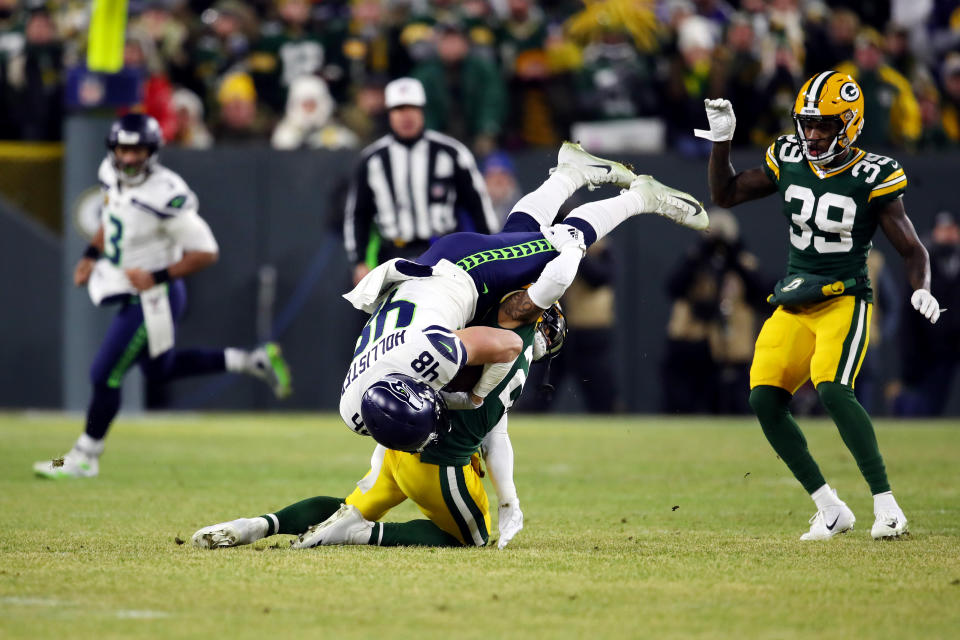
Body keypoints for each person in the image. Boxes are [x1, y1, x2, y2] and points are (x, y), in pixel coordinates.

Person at [694, 72, 940, 540]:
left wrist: (921, 287)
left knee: (832, 387)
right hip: (796, 297)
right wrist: (722, 141)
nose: (812, 134)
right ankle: (829, 508)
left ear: (850, 125)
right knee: (764, 398)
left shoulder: (873, 174)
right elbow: (725, 194)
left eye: (824, 125)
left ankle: (887, 506)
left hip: (845, 296)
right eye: (806, 124)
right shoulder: (788, 156)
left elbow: (913, 249)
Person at [338, 141, 708, 443]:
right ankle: (570, 172)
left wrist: (473, 396)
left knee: (563, 241)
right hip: (427, 278)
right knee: (519, 232)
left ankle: (642, 197)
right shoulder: (354, 409)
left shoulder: (433, 354)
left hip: (463, 272)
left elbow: (509, 345)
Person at [33, 114, 292, 480]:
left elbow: (206, 251)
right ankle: (250, 360)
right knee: (161, 368)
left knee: (104, 373)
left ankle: (84, 456)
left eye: (137, 150)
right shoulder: (111, 175)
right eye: (123, 149)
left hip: (155, 296)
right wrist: (92, 255)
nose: (128, 158)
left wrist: (155, 275)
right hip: (129, 288)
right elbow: (112, 216)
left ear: (152, 152)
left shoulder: (165, 193)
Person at [191, 300, 565, 549]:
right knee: (475, 536)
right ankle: (366, 534)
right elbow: (496, 438)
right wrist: (508, 498)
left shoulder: (465, 319)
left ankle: (259, 524)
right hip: (439, 464)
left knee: (350, 504)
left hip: (395, 442)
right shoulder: (512, 359)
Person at [343, 77, 499, 288]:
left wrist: (491, 253)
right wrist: (359, 261)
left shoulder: (451, 153)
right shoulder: (372, 159)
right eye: (399, 109)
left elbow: (477, 205)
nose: (406, 116)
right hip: (392, 254)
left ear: (423, 111)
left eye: (412, 108)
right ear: (389, 113)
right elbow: (358, 214)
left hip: (443, 252)